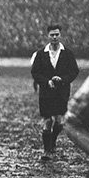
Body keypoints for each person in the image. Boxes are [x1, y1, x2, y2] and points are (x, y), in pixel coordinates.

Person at [30, 24, 79, 160]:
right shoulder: (41, 54)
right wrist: (46, 82)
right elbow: (35, 72)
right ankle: (46, 151)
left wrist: (62, 79)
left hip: (61, 92)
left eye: (57, 34)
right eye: (52, 34)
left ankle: (52, 141)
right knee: (47, 120)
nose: (55, 37)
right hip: (46, 92)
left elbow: (74, 71)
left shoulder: (68, 53)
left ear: (60, 35)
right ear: (48, 36)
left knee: (59, 121)